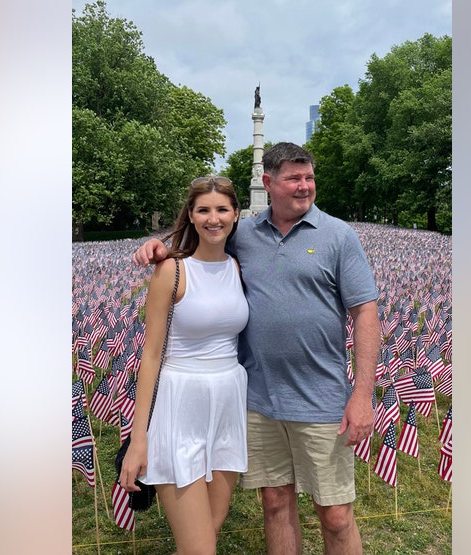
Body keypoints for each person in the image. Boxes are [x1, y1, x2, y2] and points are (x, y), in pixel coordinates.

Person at [133, 143, 380, 555]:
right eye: (293, 179)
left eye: (309, 178)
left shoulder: (339, 235)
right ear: (267, 183)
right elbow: (202, 247)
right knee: (275, 502)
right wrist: (159, 247)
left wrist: (363, 395)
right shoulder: (243, 235)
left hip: (322, 400)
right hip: (258, 400)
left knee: (336, 516)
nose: (304, 187)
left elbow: (366, 313)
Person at [118, 175, 250, 555]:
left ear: (236, 214)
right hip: (180, 407)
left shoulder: (238, 267)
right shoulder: (172, 271)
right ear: (190, 216)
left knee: (210, 529)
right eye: (203, 210)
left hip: (227, 406)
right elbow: (151, 356)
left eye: (222, 209)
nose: (214, 218)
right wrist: (138, 440)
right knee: (200, 549)